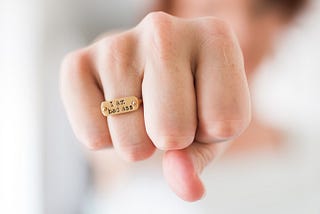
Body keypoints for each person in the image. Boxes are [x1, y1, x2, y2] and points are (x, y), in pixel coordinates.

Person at [60, 0, 311, 212]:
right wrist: (109, 82)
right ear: (168, 16)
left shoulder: (310, 148)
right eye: (211, 7)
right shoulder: (142, 147)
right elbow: (110, 154)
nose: (242, 32)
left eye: (261, 11)